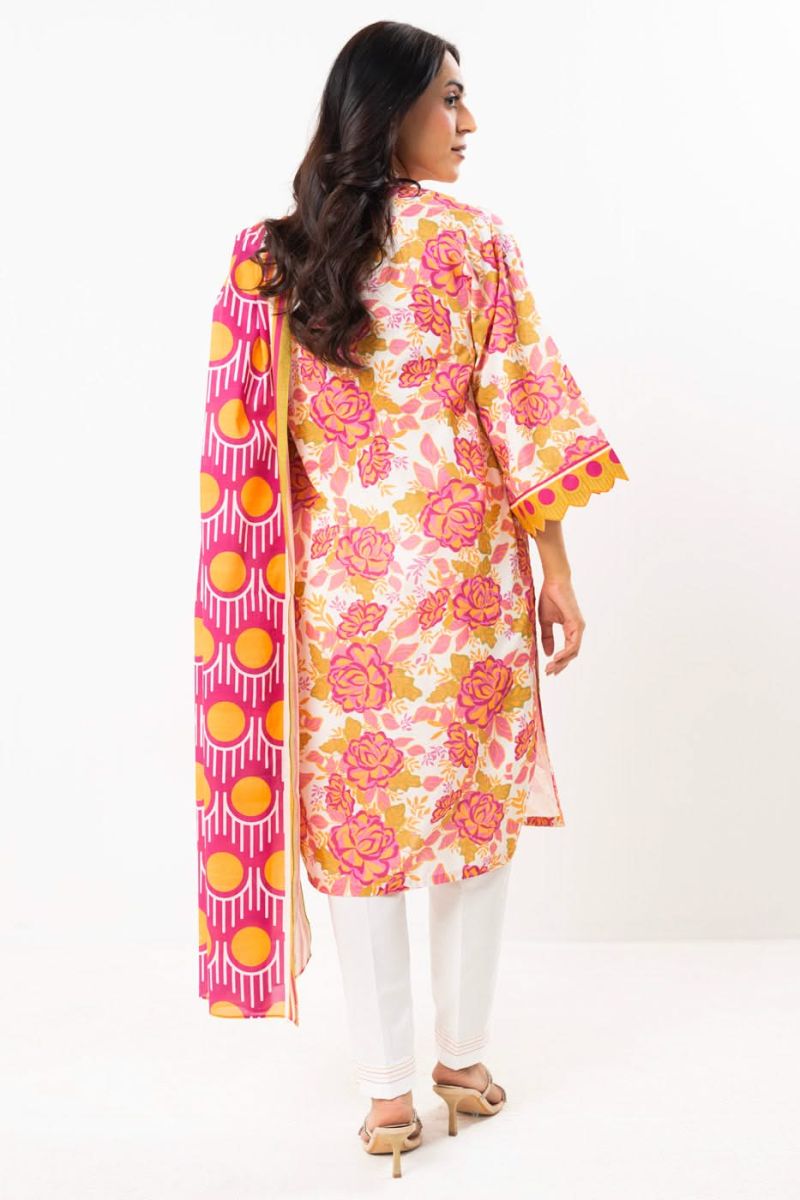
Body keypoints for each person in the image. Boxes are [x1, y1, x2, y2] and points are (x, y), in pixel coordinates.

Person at [194, 20, 628, 1177]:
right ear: (389, 110)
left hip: (337, 596)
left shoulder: (268, 257)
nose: (467, 123)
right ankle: (460, 1064)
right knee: (471, 818)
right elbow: (521, 414)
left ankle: (387, 1092)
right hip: (465, 579)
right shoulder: (475, 242)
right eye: (449, 99)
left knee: (361, 836)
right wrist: (556, 571)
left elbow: (244, 457)